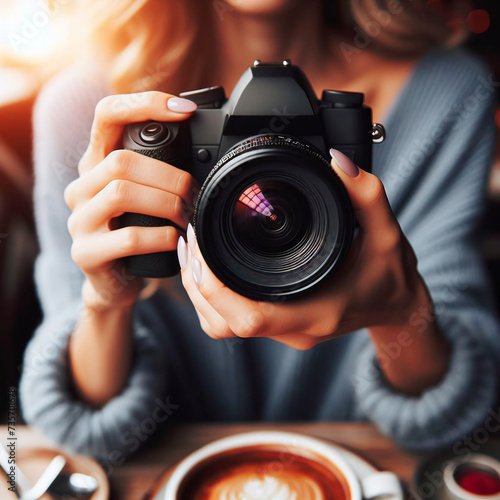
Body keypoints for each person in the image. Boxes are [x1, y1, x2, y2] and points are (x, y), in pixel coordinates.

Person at [20, 0, 500, 459]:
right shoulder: (95, 107)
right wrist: (107, 301)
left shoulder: (447, 95)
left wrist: (401, 313)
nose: (268, 212)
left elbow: (456, 426)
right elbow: (90, 437)